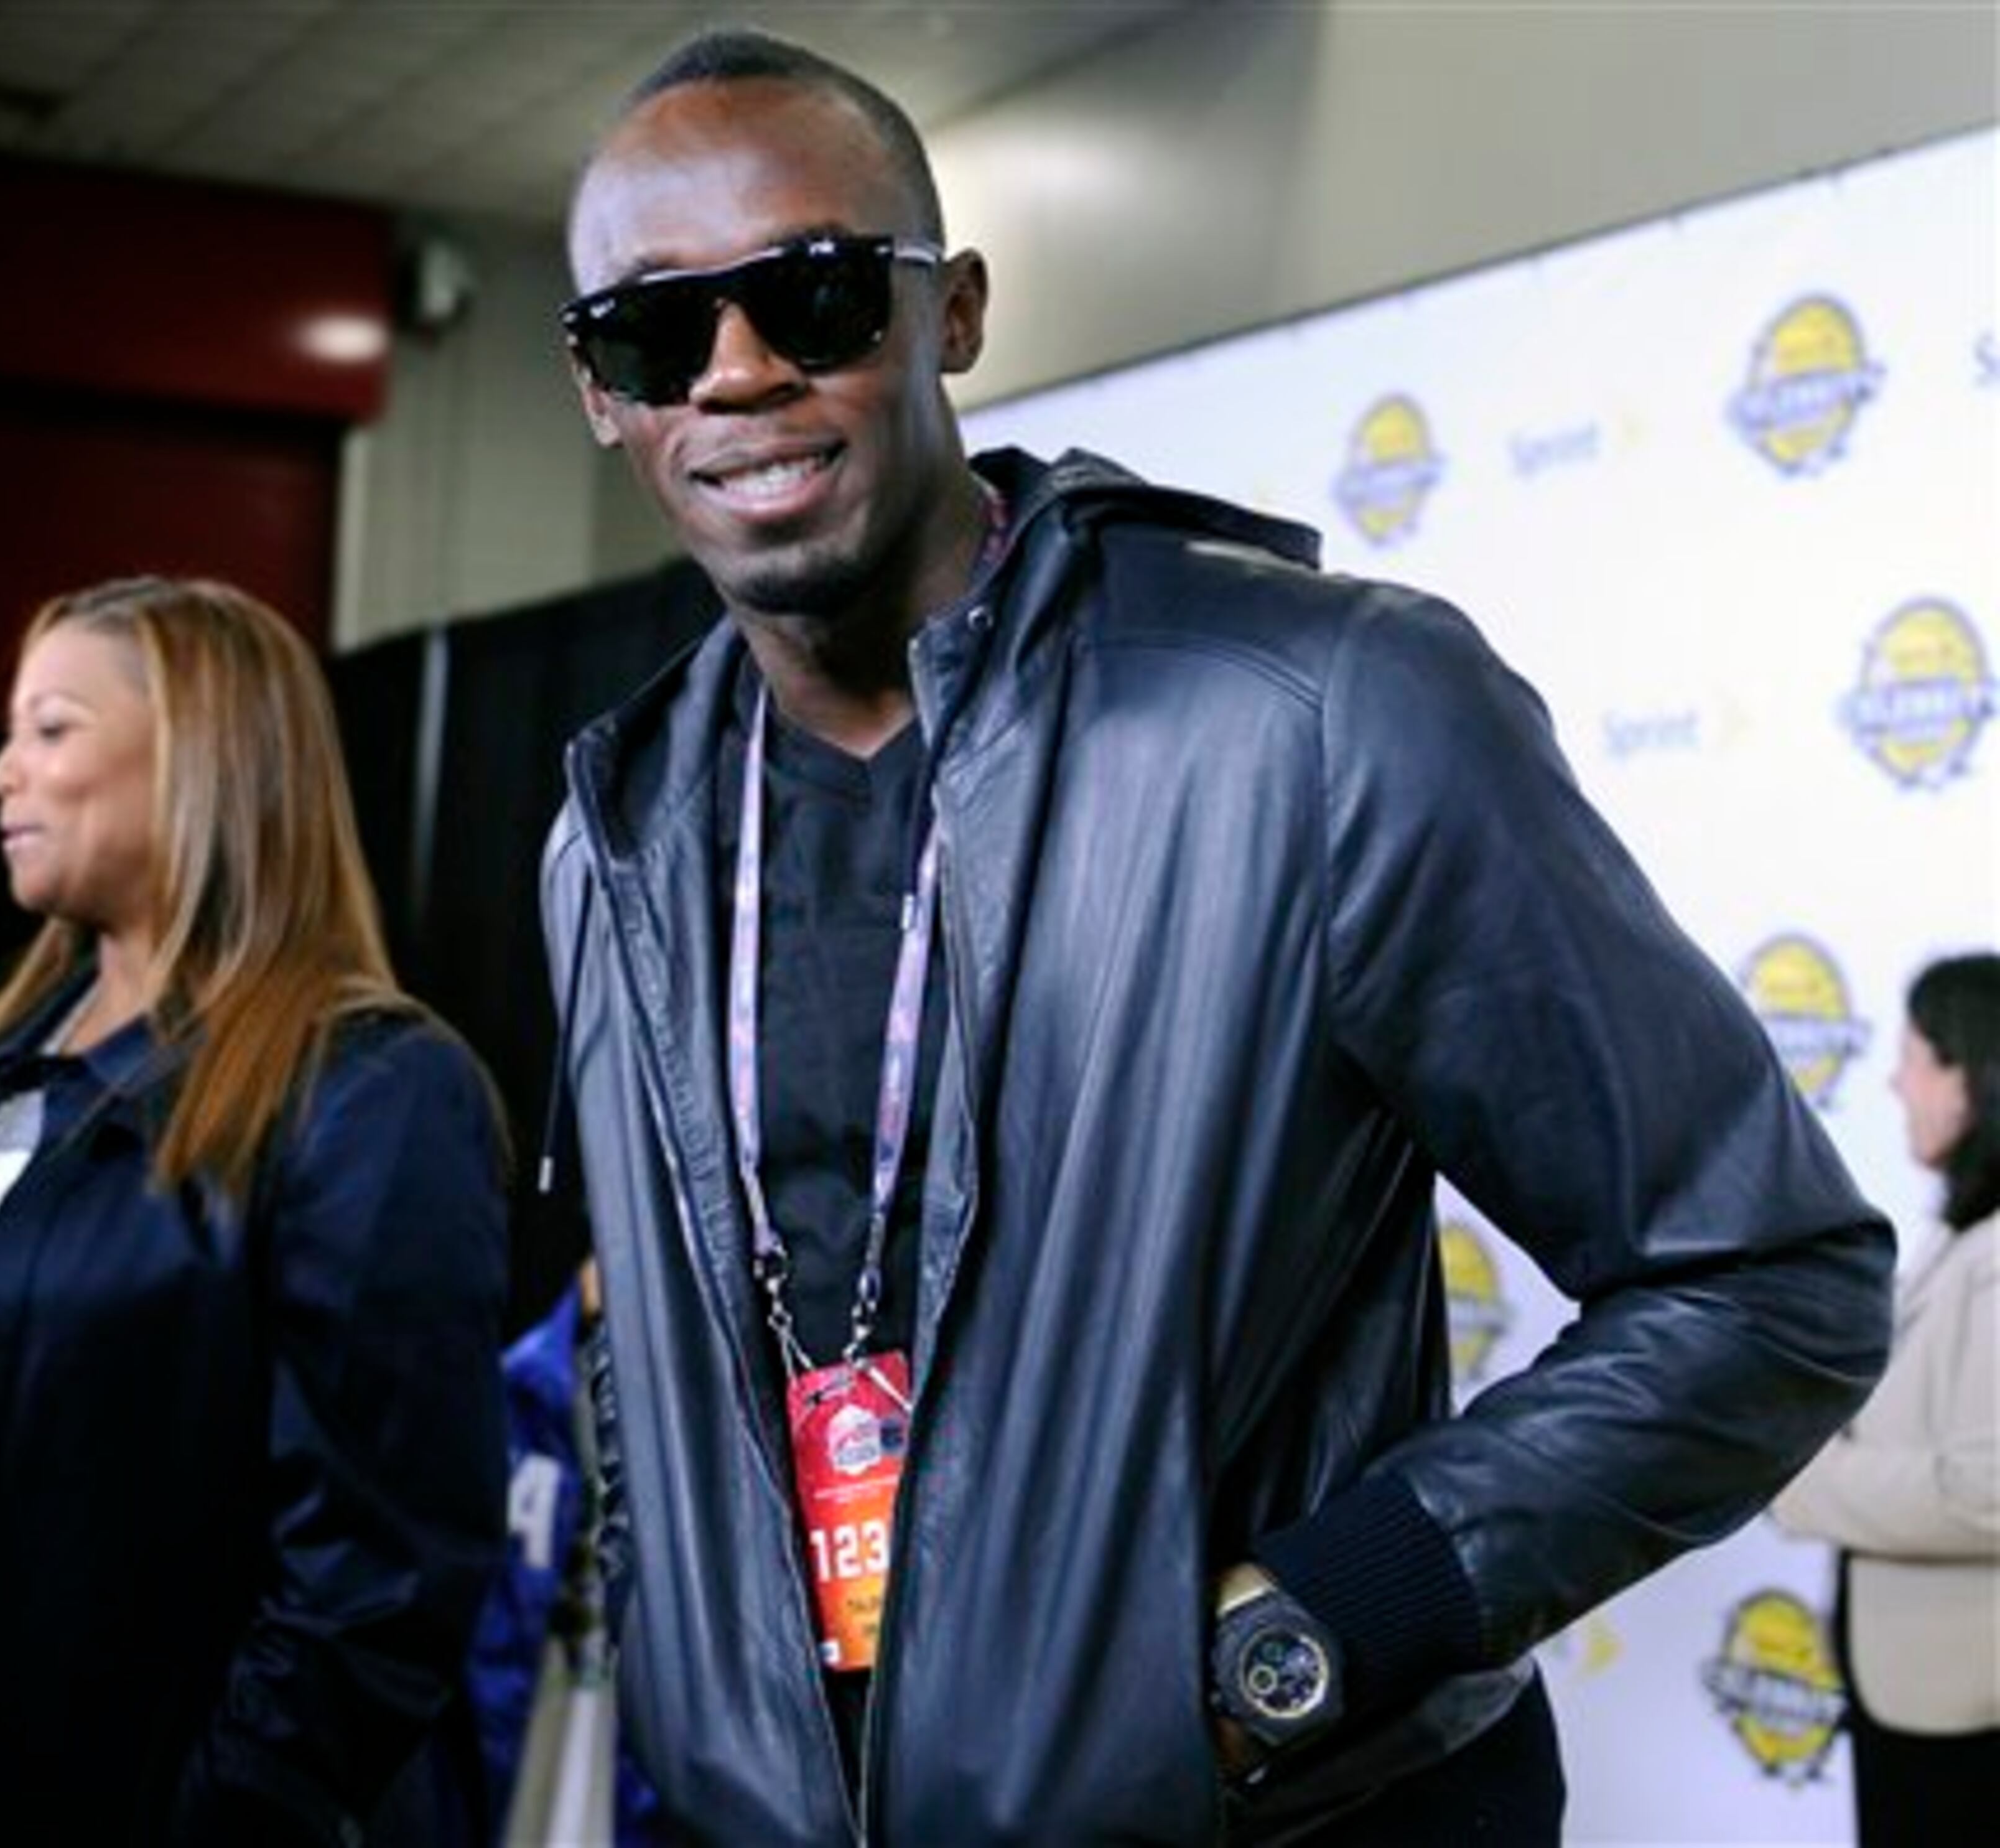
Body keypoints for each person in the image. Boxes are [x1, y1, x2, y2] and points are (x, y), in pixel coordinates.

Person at [537, 28, 1896, 1846]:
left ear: (953, 315)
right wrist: (698, 1677)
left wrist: (1308, 1640)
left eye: (816, 297)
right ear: (601, 395)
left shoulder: (1322, 711)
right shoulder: (616, 836)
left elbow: (1767, 1280)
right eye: (655, 333)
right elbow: (662, 1335)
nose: (735, 371)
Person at [0, 577, 511, 1846]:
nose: (0, 771)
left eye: (52, 730)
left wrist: (217, 1814)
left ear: (203, 762)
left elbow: (375, 1580)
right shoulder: (0, 1056)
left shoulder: (370, 1090)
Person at [1774, 953, 1999, 1846]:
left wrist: (1795, 1477)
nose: (1896, 1082)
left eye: (1914, 1058)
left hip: (1965, 1711)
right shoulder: (1962, 1238)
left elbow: (1986, 1491)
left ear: (1973, 1075)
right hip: (1918, 1692)